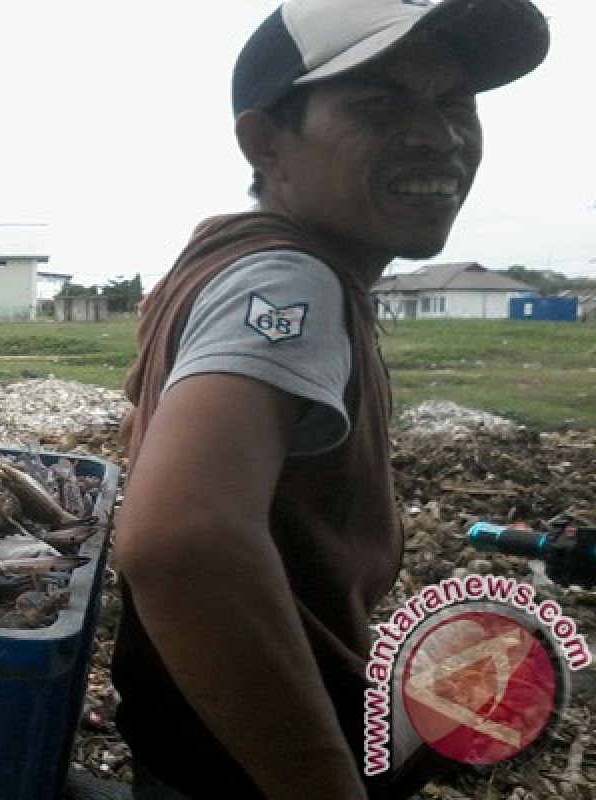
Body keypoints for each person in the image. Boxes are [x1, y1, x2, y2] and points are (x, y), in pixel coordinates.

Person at [109, 1, 550, 798]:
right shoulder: (290, 280)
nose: (437, 135)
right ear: (266, 142)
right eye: (380, 100)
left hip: (188, 724)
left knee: (503, 638)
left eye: (454, 102)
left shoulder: (229, 255)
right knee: (523, 647)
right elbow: (183, 542)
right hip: (240, 755)